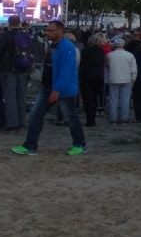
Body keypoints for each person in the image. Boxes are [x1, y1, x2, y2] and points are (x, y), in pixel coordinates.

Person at [11, 21, 87, 156]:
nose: (47, 33)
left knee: (70, 118)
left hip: (62, 89)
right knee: (35, 115)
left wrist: (57, 90)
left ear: (60, 31)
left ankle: (80, 144)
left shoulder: (67, 47)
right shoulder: (52, 46)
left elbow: (66, 71)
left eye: (50, 30)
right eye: (47, 30)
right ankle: (30, 146)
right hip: (48, 87)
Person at [105, 37, 138, 125]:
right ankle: (124, 118)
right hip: (126, 79)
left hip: (113, 78)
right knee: (125, 100)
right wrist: (133, 78)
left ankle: (113, 118)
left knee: (113, 100)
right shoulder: (130, 55)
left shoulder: (109, 55)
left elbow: (107, 65)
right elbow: (134, 68)